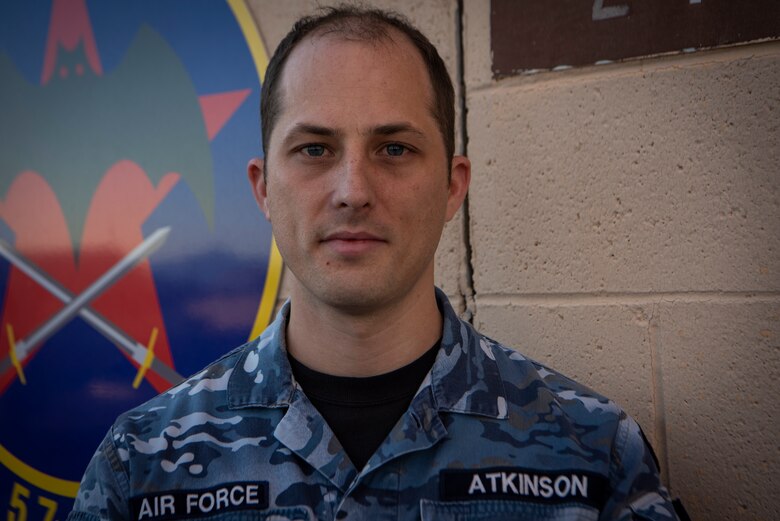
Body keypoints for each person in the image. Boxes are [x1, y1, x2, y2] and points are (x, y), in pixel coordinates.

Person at [68, 6, 681, 521]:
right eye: (314, 149)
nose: (353, 190)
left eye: (394, 148)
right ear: (262, 190)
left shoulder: (592, 456)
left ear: (451, 186)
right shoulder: (142, 468)